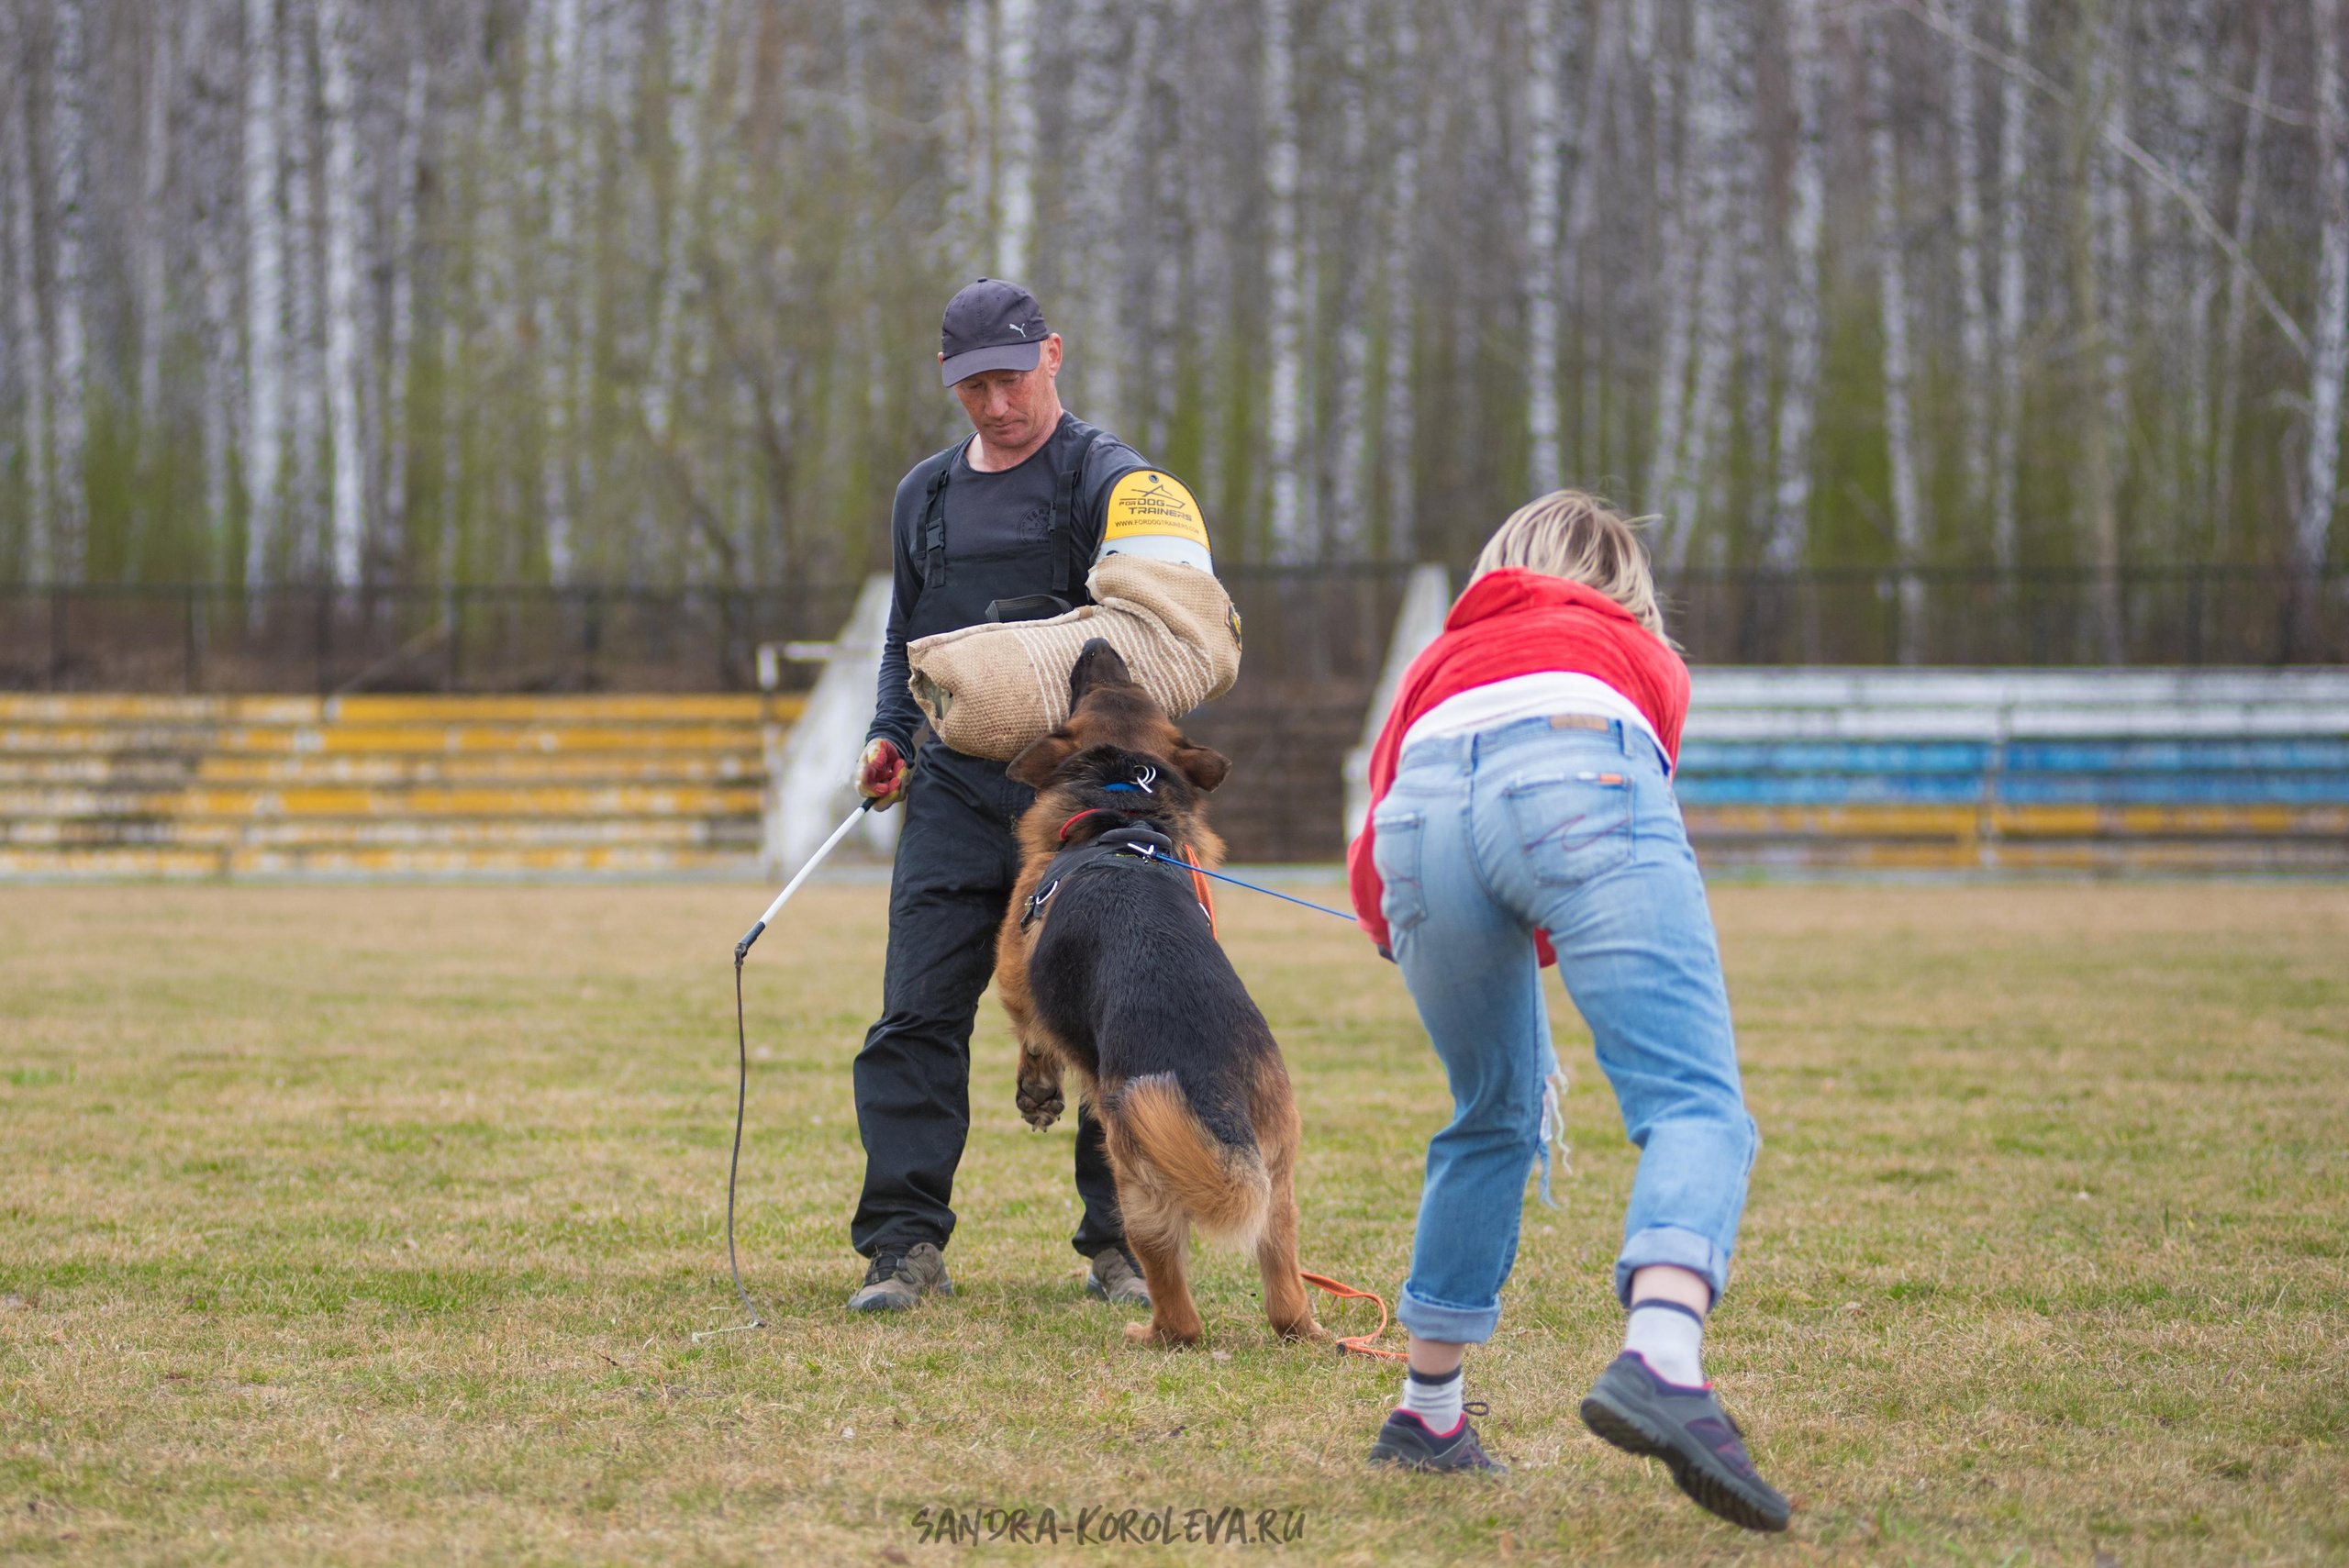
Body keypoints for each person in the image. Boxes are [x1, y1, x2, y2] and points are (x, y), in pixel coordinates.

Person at [1345, 492, 1790, 1531]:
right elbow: (1588, 842)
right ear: (1626, 587)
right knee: (1693, 1104)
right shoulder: (1635, 650)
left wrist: (1408, 929)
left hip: (1417, 822)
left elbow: (1379, 838)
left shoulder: (1437, 657)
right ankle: (1665, 1357)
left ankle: (1428, 1413)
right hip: (1580, 770)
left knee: (1490, 1114)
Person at [844, 278, 1216, 1314]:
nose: (995, 403)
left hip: (1089, 813)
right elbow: (904, 642)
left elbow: (1170, 632)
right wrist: (890, 731)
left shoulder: (1114, 480)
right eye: (972, 387)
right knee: (914, 1016)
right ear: (947, 379)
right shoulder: (923, 495)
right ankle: (903, 1244)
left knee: (1121, 1022)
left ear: (1052, 354)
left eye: (1010, 378)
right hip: (955, 799)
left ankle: (1122, 1247)